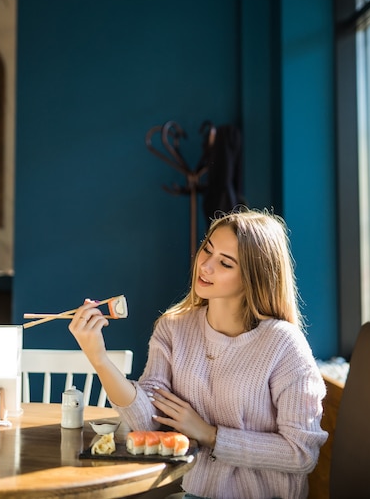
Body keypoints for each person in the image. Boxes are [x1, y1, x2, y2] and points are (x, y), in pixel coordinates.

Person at [69, 208, 328, 499]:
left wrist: (210, 435)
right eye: (208, 249)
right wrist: (98, 358)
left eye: (225, 263)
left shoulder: (284, 344)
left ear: (253, 278)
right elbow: (147, 422)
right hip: (195, 493)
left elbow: (300, 453)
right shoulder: (173, 327)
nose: (205, 266)